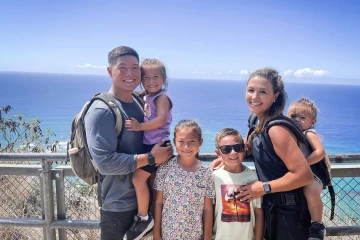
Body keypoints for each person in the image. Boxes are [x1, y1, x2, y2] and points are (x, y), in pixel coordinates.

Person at [84, 46, 173, 240]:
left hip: (147, 202)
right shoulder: (102, 110)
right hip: (119, 206)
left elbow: (155, 127)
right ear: (110, 71)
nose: (130, 73)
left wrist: (163, 149)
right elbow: (105, 163)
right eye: (122, 68)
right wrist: (151, 157)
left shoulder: (138, 101)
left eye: (135, 68)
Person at [238, 68, 314, 240]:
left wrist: (263, 187)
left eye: (263, 92)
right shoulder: (256, 120)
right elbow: (249, 147)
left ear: (275, 96)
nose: (254, 97)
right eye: (251, 90)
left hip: (288, 214)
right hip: (272, 208)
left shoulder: (277, 129)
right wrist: (225, 159)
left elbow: (304, 175)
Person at [124, 58, 173, 239]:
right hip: (150, 145)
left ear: (164, 78)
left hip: (158, 146)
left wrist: (139, 127)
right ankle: (153, 217)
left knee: (138, 179)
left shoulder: (162, 98)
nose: (151, 81)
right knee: (151, 183)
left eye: (156, 77)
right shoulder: (148, 95)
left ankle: (144, 219)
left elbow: (160, 119)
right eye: (146, 77)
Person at [153, 120, 215, 240]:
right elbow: (158, 203)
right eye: (181, 141)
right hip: (168, 235)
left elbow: (207, 209)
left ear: (200, 142)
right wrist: (156, 233)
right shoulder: (165, 168)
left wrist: (208, 237)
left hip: (195, 235)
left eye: (192, 141)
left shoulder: (206, 173)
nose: (186, 147)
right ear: (175, 142)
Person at [212, 128, 264, 240]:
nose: (233, 152)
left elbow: (258, 212)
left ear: (244, 148)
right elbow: (209, 211)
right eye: (226, 149)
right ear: (218, 153)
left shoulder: (253, 177)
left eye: (238, 147)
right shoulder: (214, 177)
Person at [287, 98, 327, 239]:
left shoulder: (309, 133)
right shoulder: (289, 132)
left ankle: (317, 225)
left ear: (312, 122)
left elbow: (319, 152)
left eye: (303, 118)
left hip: (313, 173)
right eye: (293, 116)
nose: (297, 120)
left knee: (310, 190)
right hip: (302, 171)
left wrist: (302, 163)